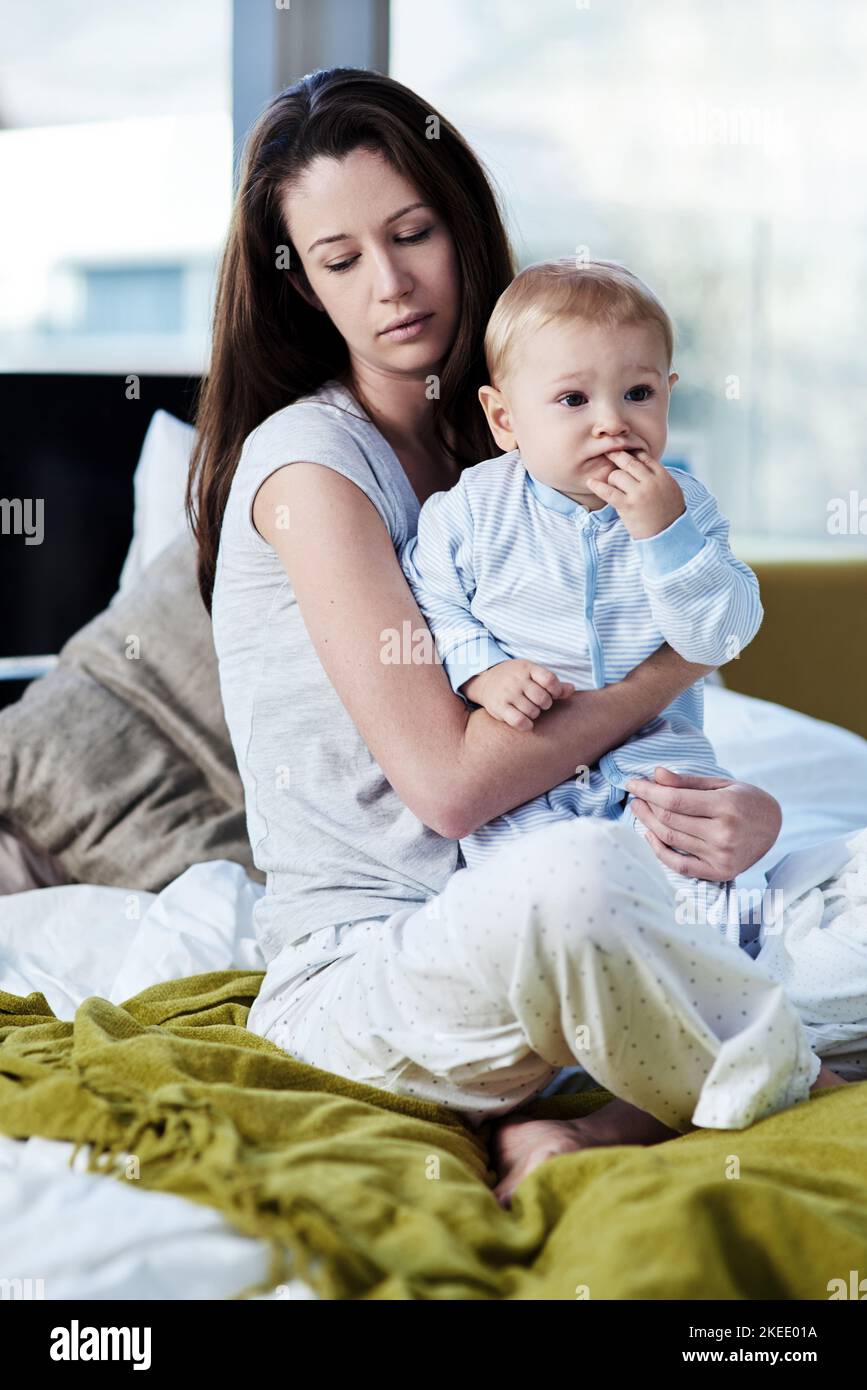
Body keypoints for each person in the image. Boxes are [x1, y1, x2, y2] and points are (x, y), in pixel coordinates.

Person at [186, 68, 848, 1210]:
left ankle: (631, 1097)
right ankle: (774, 1075)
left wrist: (749, 818)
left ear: (460, 223)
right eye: (341, 261)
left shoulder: (512, 443)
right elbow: (450, 788)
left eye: (413, 233)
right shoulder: (309, 467)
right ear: (303, 290)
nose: (391, 285)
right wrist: (679, 661)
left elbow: (620, 722)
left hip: (571, 905)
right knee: (573, 879)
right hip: (386, 960)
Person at [398, 257, 761, 939]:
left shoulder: (686, 509)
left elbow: (723, 635)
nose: (611, 423)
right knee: (537, 924)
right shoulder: (471, 512)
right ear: (504, 419)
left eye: (637, 394)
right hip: (527, 789)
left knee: (706, 923)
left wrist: (665, 538)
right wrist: (481, 670)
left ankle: (721, 1017)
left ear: (667, 394)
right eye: (573, 401)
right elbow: (429, 604)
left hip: (659, 785)